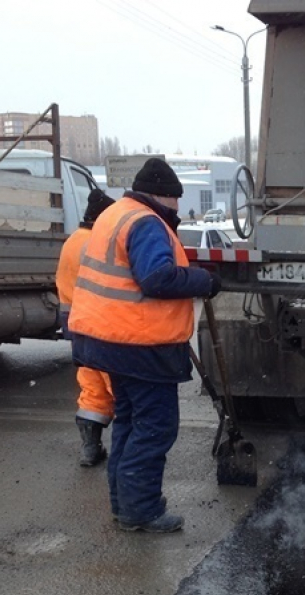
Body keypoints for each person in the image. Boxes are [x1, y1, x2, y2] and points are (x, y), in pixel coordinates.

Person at [68, 158, 222, 533]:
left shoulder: (114, 215)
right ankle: (141, 511)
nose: (178, 211)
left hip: (107, 341)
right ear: (161, 196)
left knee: (129, 423)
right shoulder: (147, 223)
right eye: (175, 201)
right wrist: (203, 280)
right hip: (139, 345)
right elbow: (156, 277)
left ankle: (126, 506)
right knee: (154, 428)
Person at [56, 189, 117, 467]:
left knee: (91, 385)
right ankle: (128, 450)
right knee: (117, 383)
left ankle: (90, 449)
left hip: (75, 325)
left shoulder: (72, 241)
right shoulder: (96, 243)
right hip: (98, 324)